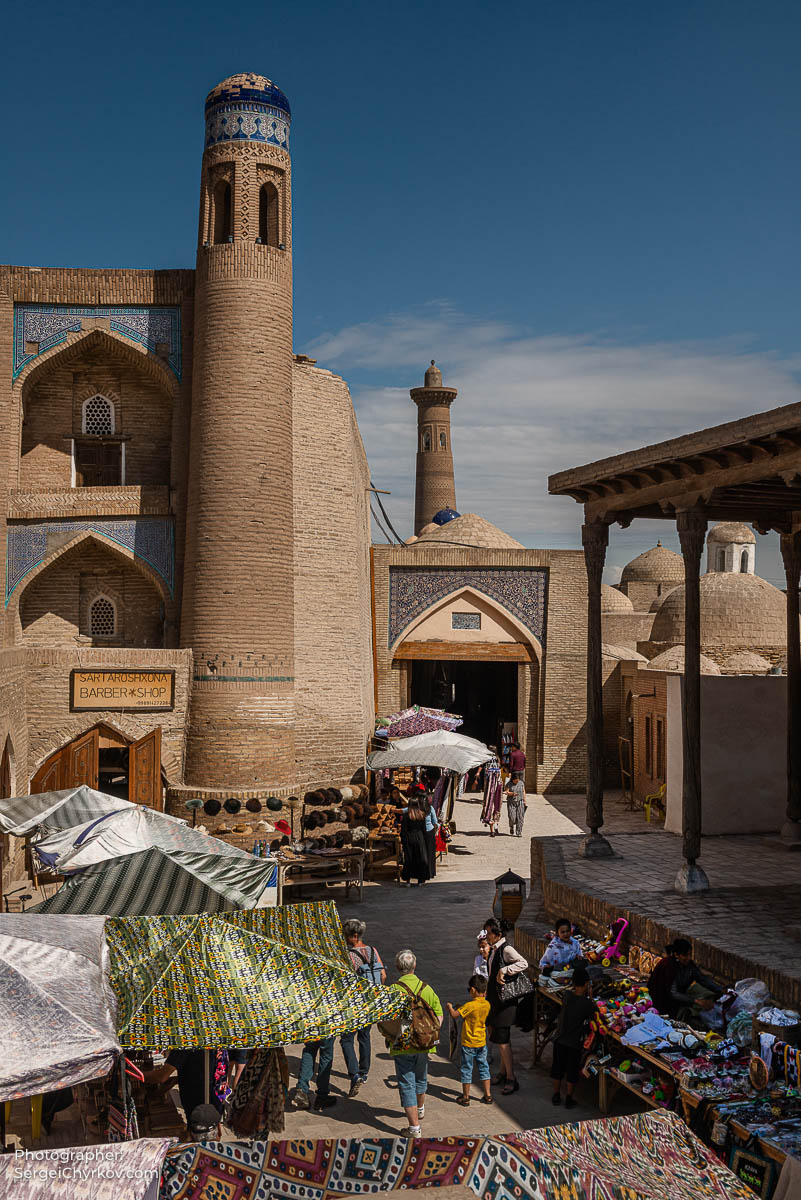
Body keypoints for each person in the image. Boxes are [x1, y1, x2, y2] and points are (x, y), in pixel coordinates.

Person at [389, 949, 442, 1137]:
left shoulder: (393, 991)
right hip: (424, 1043)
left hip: (402, 1044)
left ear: (397, 967)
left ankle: (414, 1127)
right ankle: (420, 1108)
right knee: (421, 1076)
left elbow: (385, 1021)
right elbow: (439, 1015)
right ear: (415, 966)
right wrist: (428, 1033)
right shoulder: (426, 989)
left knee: (406, 1082)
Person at [340, 918, 386, 1096]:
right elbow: (382, 975)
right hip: (370, 1002)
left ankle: (354, 1074)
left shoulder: (349, 955)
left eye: (346, 936)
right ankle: (364, 1071)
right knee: (365, 1037)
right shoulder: (373, 951)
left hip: (354, 1004)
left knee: (346, 1039)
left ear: (354, 936)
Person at [484, 917, 529, 1095]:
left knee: (502, 1041)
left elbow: (523, 963)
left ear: (498, 934)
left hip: (505, 1004)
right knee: (501, 1038)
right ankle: (503, 1072)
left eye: (489, 933)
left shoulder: (506, 949)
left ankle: (511, 1078)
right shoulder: (494, 949)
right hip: (495, 1001)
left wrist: (505, 970)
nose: (486, 936)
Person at [551, 966, 596, 1109]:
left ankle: (556, 1094)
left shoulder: (567, 996)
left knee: (557, 1067)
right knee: (571, 1070)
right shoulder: (587, 1003)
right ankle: (569, 1097)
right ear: (586, 984)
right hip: (574, 1042)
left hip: (559, 1039)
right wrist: (590, 995)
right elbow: (594, 1013)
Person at [447, 974, 493, 1107]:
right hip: (481, 1042)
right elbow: (474, 1012)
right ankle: (488, 1095)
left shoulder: (469, 1005)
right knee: (484, 1068)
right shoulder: (487, 1004)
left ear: (473, 990)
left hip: (468, 1043)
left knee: (467, 1069)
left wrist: (450, 1007)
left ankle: (466, 1097)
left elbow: (455, 1015)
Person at [647, 938, 723, 1019]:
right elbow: (673, 993)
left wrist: (720, 990)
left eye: (690, 955)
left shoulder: (689, 965)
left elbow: (702, 979)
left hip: (678, 996)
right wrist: (696, 1001)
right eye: (685, 955)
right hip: (662, 999)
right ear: (676, 955)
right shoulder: (668, 966)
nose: (689, 958)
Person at [294, 1036, 336, 1111]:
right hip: (327, 1027)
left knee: (309, 1050)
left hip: (311, 1026)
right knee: (326, 1055)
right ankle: (322, 1096)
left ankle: (302, 1089)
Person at [400, 795, 431, 886]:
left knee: (409, 859)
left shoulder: (406, 816)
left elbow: (404, 830)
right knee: (420, 858)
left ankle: (408, 881)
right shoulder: (422, 815)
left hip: (409, 838)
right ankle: (420, 880)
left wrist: (403, 840)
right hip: (419, 838)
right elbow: (424, 830)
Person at [480, 752, 502, 837]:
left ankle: (493, 830)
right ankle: (495, 827)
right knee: (496, 807)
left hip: (490, 790)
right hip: (496, 788)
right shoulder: (498, 772)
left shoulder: (489, 771)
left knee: (490, 806)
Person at [505, 773, 526, 837]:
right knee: (512, 818)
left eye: (518, 780)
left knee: (520, 817)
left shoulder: (521, 783)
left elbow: (523, 791)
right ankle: (511, 826)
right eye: (516, 780)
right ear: (512, 779)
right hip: (511, 802)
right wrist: (512, 794)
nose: (517, 781)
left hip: (520, 801)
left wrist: (525, 800)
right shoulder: (509, 784)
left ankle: (519, 832)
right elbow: (507, 792)